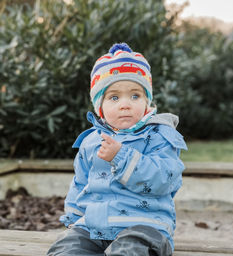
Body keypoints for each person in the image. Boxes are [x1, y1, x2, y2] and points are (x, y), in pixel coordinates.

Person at [47, 43, 187, 256]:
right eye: (114, 97)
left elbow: (165, 179)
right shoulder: (91, 141)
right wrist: (74, 220)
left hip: (144, 227)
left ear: (147, 102)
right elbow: (80, 183)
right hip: (93, 227)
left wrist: (121, 156)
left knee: (128, 251)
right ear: (99, 106)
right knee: (66, 248)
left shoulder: (160, 135)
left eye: (135, 96)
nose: (125, 104)